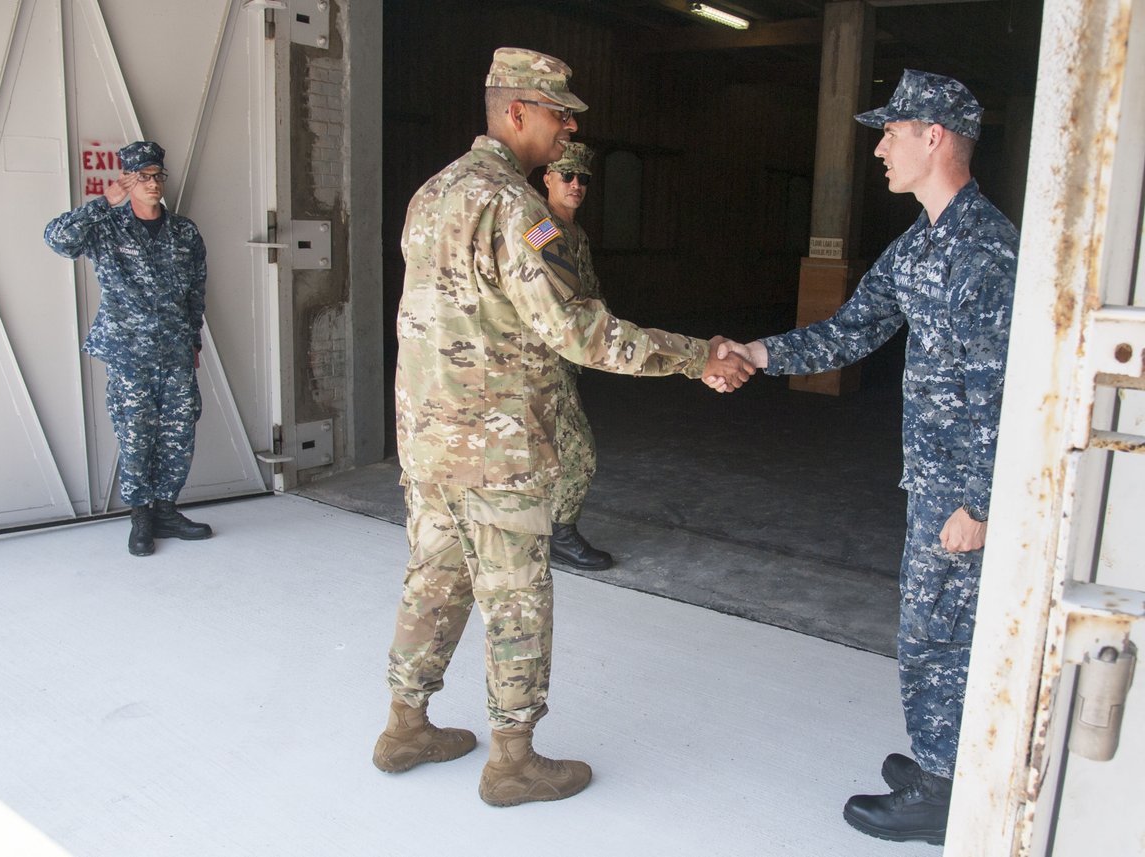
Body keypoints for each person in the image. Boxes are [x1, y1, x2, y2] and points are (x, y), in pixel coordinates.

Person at [373, 47, 752, 807]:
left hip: (428, 440)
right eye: (558, 112)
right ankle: (512, 760)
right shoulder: (517, 209)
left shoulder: (433, 192)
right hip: (496, 450)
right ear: (516, 112)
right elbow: (578, 333)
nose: (570, 126)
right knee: (514, 596)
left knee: (434, 580)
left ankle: (404, 724)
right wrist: (694, 356)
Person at [710, 70, 1019, 844]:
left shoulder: (985, 252)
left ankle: (944, 792)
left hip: (964, 493)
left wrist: (980, 503)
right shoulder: (922, 244)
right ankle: (941, 761)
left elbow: (1002, 386)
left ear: (935, 138)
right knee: (931, 630)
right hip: (936, 479)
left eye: (892, 132)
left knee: (939, 638)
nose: (880, 148)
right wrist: (755, 350)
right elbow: (848, 330)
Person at [44, 141, 213, 557]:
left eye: (158, 176)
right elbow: (58, 240)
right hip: (128, 352)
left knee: (178, 432)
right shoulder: (106, 226)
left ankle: (166, 511)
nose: (153, 184)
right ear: (127, 179)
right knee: (135, 432)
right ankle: (140, 517)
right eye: (143, 177)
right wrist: (104, 203)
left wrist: (193, 339)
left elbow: (195, 290)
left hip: (174, 349)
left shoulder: (184, 231)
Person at [541, 142, 612, 571]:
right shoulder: (541, 230)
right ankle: (559, 534)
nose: (575, 185)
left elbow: (590, 294)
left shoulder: (576, 234)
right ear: (546, 177)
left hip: (566, 357)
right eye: (566, 175)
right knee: (579, 455)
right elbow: (553, 300)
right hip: (544, 360)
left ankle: (540, 532)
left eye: (583, 178)